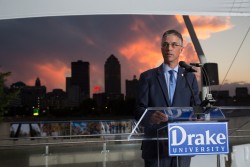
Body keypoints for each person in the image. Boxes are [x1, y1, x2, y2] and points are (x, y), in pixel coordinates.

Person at [135, 29, 200, 167]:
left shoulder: (190, 78)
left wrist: (198, 115)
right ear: (161, 48)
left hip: (182, 145)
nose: (169, 48)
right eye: (165, 44)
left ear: (181, 49)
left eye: (174, 45)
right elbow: (138, 109)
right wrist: (150, 117)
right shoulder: (147, 77)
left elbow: (196, 109)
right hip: (155, 146)